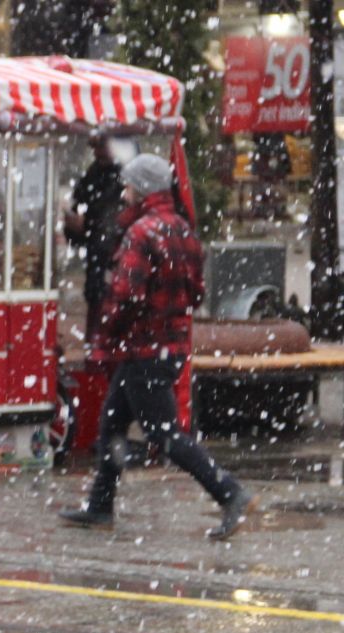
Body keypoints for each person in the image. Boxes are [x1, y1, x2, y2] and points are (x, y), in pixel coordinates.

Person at [60, 154, 255, 540]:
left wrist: (105, 334)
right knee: (112, 423)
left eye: (129, 184)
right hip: (169, 346)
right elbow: (196, 293)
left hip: (143, 349)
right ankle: (100, 505)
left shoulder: (141, 233)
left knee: (165, 435)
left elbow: (125, 296)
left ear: (141, 189)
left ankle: (229, 492)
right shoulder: (182, 230)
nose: (124, 190)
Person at [63, 134, 128, 348]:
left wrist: (85, 227)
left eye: (101, 146)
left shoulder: (126, 177)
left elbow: (114, 223)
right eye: (95, 147)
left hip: (112, 270)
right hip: (100, 269)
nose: (97, 152)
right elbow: (78, 217)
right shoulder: (93, 174)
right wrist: (75, 227)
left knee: (106, 339)